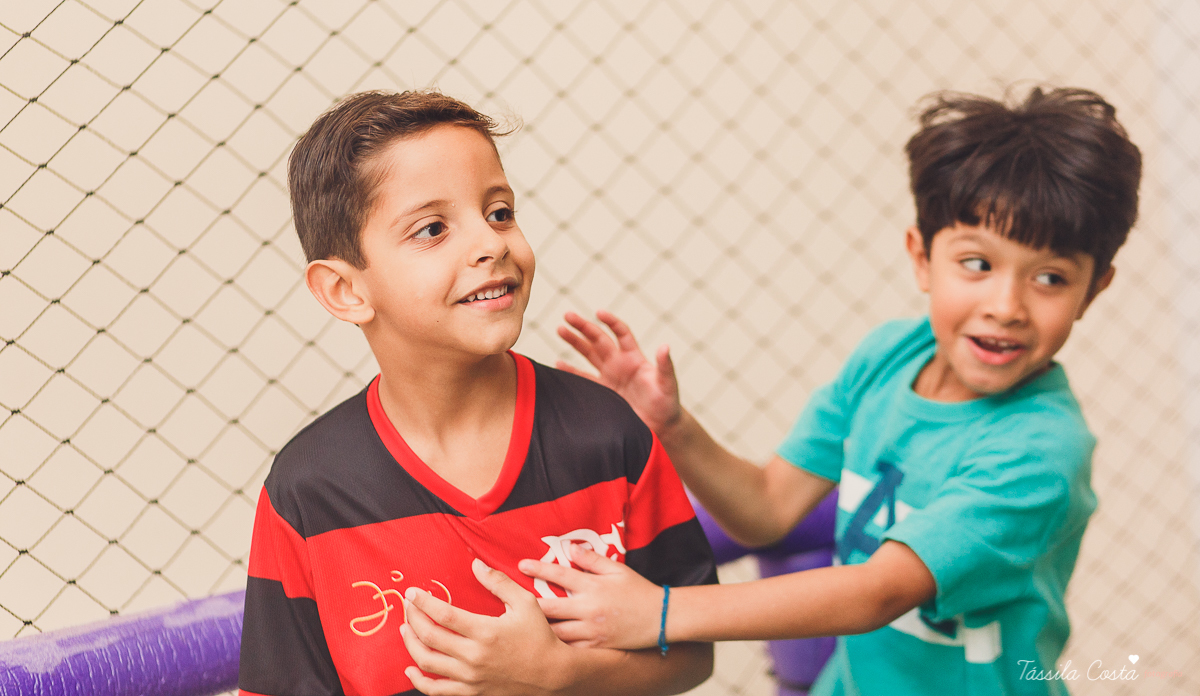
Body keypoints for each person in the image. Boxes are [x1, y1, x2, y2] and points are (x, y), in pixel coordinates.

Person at [507, 87, 1142, 695]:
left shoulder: (1042, 451)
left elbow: (878, 593)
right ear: (921, 256)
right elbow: (766, 509)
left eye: (1051, 278)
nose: (1006, 306)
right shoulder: (887, 358)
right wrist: (672, 425)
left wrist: (662, 613)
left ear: (1097, 289)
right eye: (977, 264)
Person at [237, 90, 716, 696]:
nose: (491, 244)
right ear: (344, 290)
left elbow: (694, 653)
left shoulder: (606, 433)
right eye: (432, 229)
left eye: (499, 213)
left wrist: (560, 676)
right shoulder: (308, 490)